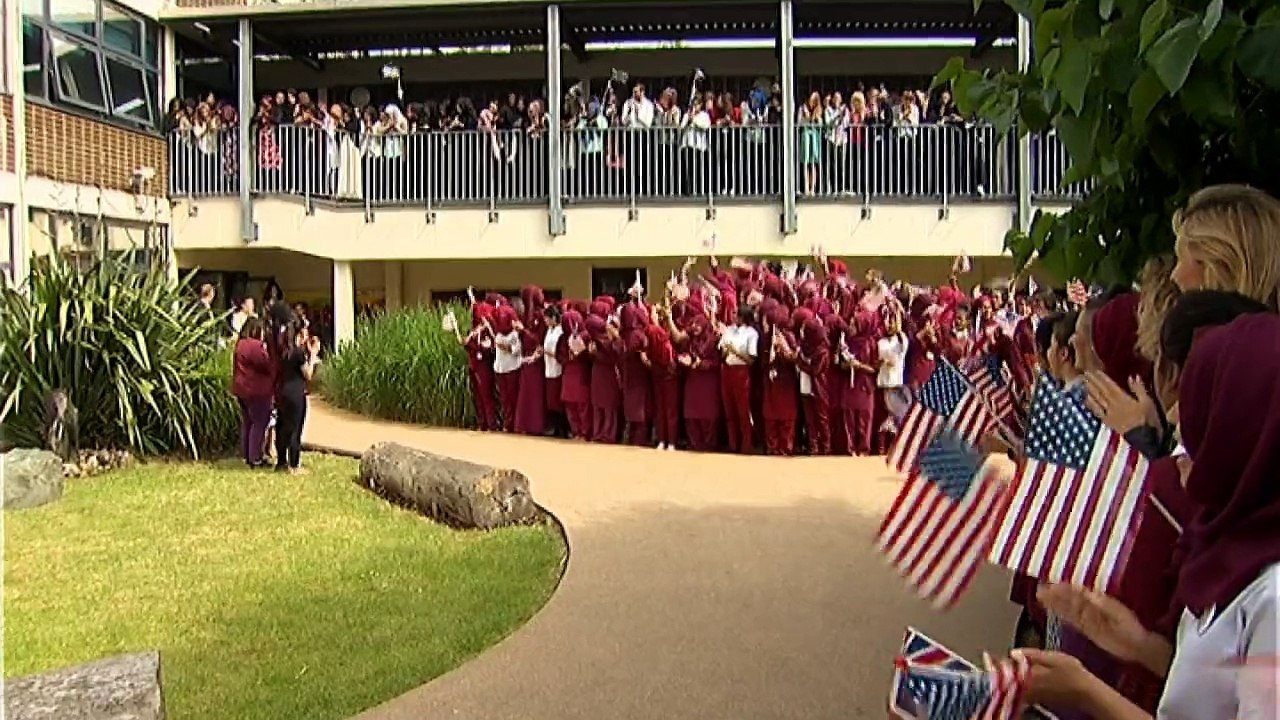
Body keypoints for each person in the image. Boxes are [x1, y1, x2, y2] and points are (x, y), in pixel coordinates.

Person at [1015, 313, 1280, 720]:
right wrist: (1139, 645)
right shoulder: (1230, 552)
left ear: (1246, 435)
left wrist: (1085, 691)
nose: (1180, 443)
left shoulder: (1274, 594)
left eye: (1203, 428)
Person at [274, 319, 320, 473]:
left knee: (282, 426)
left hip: (282, 391)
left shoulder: (282, 350)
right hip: (296, 393)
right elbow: (308, 374)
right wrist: (313, 355)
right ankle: (294, 464)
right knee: (295, 428)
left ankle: (281, 461)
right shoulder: (298, 353)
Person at [231, 318, 273, 468]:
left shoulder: (240, 344)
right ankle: (255, 456)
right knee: (259, 423)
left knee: (247, 422)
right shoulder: (255, 346)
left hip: (241, 389)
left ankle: (246, 455)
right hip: (257, 390)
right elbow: (268, 364)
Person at [718, 305, 759, 453]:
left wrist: (735, 351)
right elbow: (721, 351)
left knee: (742, 410)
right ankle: (733, 444)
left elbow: (751, 359)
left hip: (741, 371)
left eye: (737, 314)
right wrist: (725, 352)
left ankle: (746, 445)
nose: (734, 316)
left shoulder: (751, 334)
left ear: (743, 317)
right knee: (729, 409)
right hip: (727, 370)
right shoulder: (728, 330)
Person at [492, 305, 522, 433]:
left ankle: (513, 424)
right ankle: (507, 422)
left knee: (512, 398)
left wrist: (505, 347)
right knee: (504, 399)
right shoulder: (498, 333)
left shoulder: (515, 334)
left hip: (512, 368)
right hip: (500, 368)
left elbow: (517, 350)